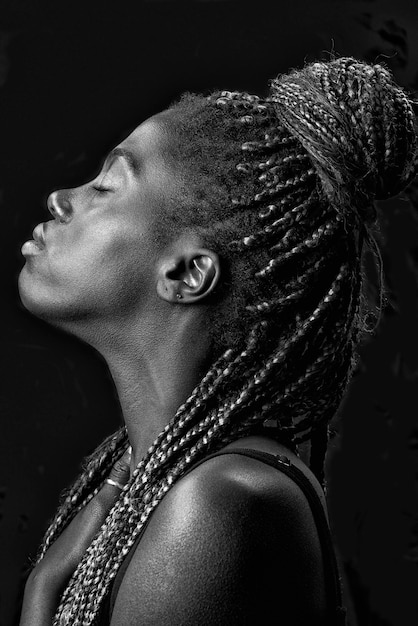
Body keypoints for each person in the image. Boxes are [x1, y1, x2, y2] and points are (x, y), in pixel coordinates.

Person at [18, 56, 417, 626]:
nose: (60, 198)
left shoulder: (221, 501)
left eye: (106, 185)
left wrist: (41, 596)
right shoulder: (162, 475)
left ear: (186, 275)